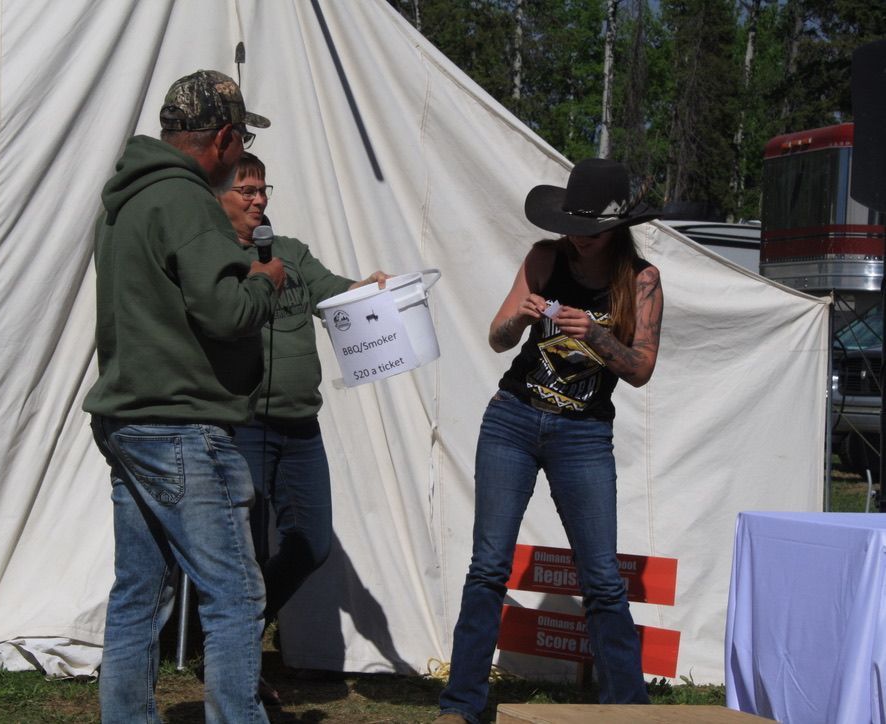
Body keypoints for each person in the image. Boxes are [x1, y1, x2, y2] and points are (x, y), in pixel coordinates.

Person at [83, 69, 284, 724]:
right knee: (236, 597)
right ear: (224, 138)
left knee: (138, 595)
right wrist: (264, 281)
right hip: (181, 424)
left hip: (128, 417)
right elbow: (225, 311)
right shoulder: (188, 200)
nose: (238, 160)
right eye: (239, 144)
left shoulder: (122, 201)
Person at [435, 158, 664, 723]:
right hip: (513, 418)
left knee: (602, 578)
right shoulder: (545, 258)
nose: (579, 242)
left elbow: (640, 370)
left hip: (583, 434)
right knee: (488, 566)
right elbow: (496, 336)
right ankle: (460, 706)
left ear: (616, 230)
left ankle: (628, 711)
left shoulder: (641, 279)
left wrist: (600, 335)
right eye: (573, 229)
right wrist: (522, 319)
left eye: (591, 232)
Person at [217, 152, 389, 695]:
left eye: (263, 189)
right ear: (217, 195)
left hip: (299, 427)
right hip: (241, 424)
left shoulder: (290, 252)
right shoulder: (210, 258)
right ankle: (236, 664)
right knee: (245, 551)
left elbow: (331, 291)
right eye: (247, 191)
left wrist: (366, 288)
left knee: (311, 543)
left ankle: (223, 635)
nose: (259, 200)